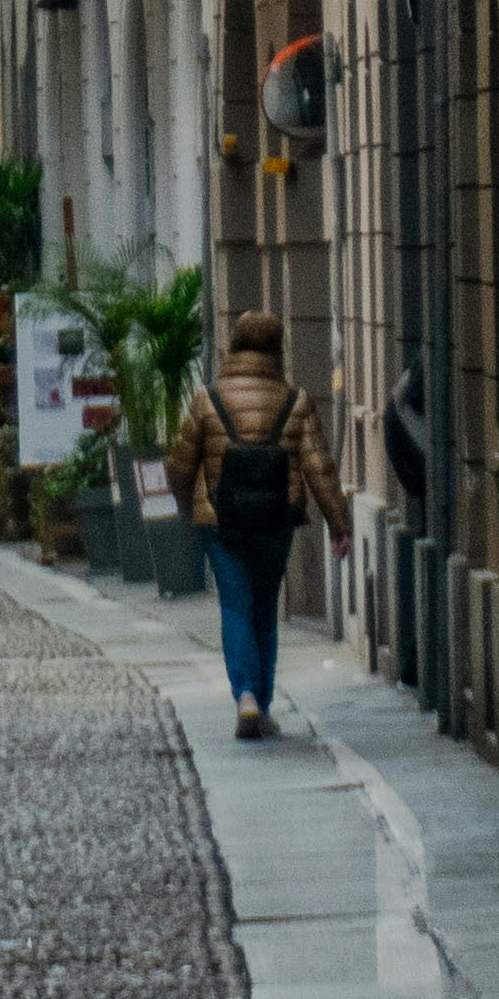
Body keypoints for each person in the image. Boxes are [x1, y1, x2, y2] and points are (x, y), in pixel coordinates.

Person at [169, 307, 356, 742]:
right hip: (275, 520)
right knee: (264, 608)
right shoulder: (297, 400)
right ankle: (264, 705)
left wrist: (188, 509)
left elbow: (180, 468)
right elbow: (320, 469)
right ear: (277, 350)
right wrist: (339, 524)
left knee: (234, 605)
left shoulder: (207, 400)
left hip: (221, 519)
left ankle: (246, 698)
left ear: (233, 346)